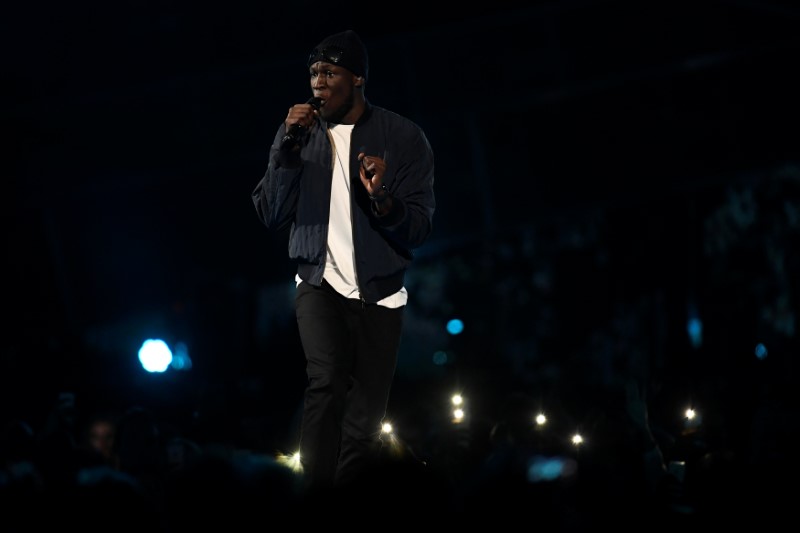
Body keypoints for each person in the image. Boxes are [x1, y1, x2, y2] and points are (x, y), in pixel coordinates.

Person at [251, 29, 436, 492]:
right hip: (318, 281)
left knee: (365, 419)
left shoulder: (402, 136)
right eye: (313, 72)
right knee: (326, 379)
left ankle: (347, 502)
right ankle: (312, 493)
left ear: (357, 78)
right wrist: (286, 148)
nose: (317, 82)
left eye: (329, 72)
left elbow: (418, 227)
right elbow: (270, 212)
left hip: (381, 293)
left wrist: (384, 200)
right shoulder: (298, 133)